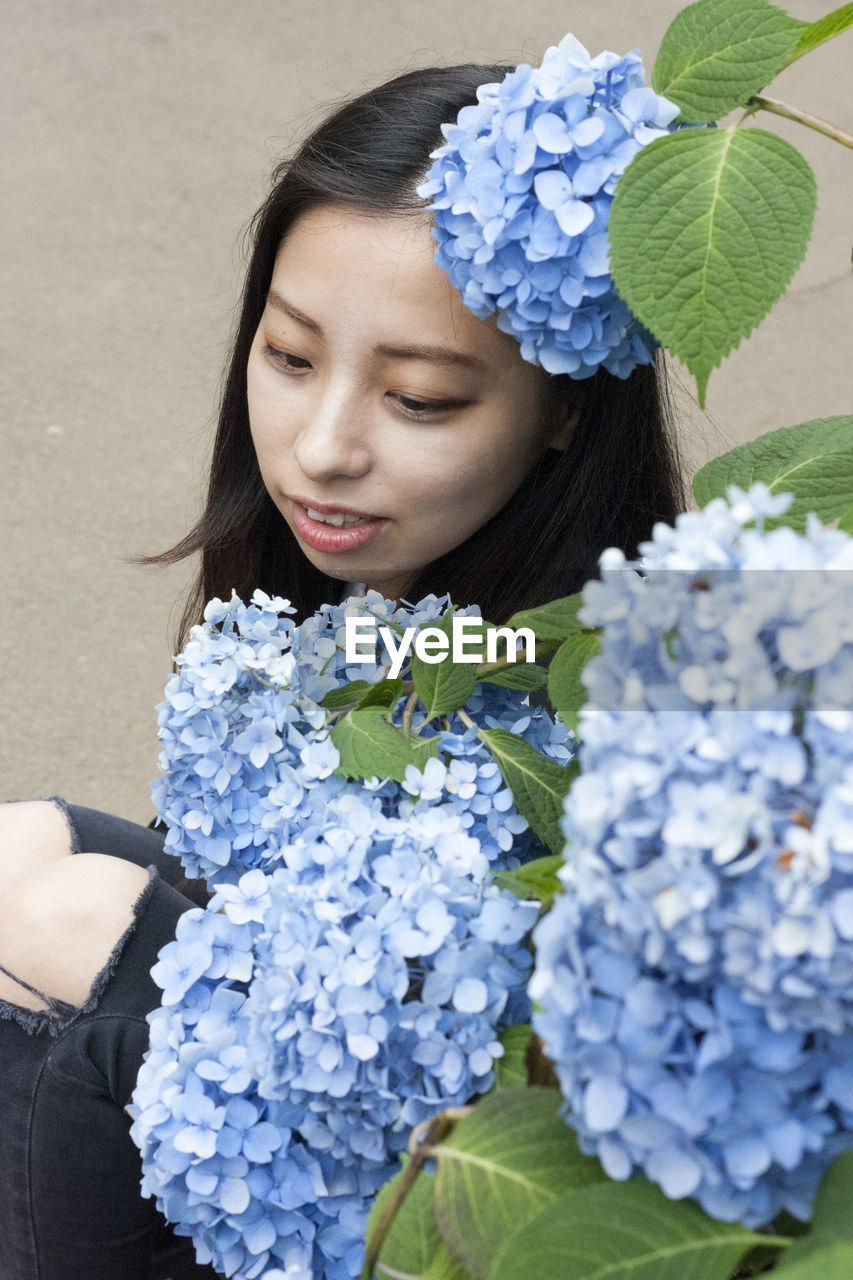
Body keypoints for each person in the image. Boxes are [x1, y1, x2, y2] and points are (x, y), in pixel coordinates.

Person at [0, 55, 683, 1280]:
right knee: (13, 852)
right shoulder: (349, 600)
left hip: (416, 1175)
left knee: (69, 920)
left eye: (418, 398)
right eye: (291, 355)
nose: (320, 449)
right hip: (294, 1022)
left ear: (570, 404)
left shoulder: (661, 654)